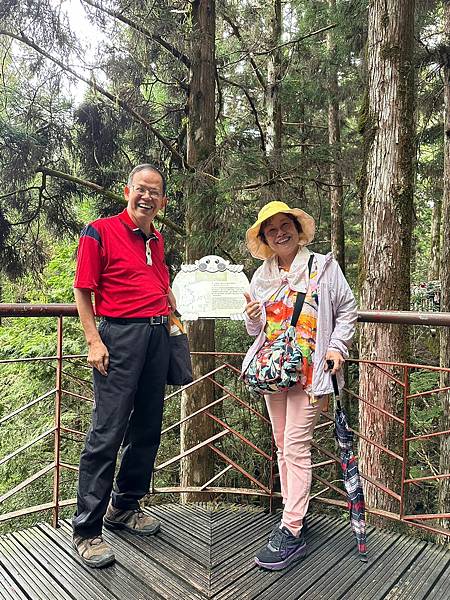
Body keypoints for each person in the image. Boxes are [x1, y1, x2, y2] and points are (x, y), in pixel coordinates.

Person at [242, 200, 357, 571]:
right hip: (275, 372)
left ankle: (291, 530)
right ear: (264, 238)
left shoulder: (323, 267)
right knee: (281, 445)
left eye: (284, 225)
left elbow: (347, 310)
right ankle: (297, 514)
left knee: (295, 445)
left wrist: (338, 347)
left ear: (296, 227)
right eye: (270, 229)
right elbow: (257, 332)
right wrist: (252, 319)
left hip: (312, 373)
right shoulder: (261, 278)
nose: (279, 232)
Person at [72, 164, 177, 568]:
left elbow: (158, 284)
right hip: (118, 337)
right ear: (127, 190)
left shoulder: (157, 239)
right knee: (107, 430)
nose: (147, 197)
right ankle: (86, 530)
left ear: (162, 201)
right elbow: (83, 289)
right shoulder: (100, 230)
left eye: (154, 192)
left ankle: (124, 506)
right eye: (141, 189)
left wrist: (172, 300)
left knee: (148, 427)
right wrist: (93, 340)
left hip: (156, 337)